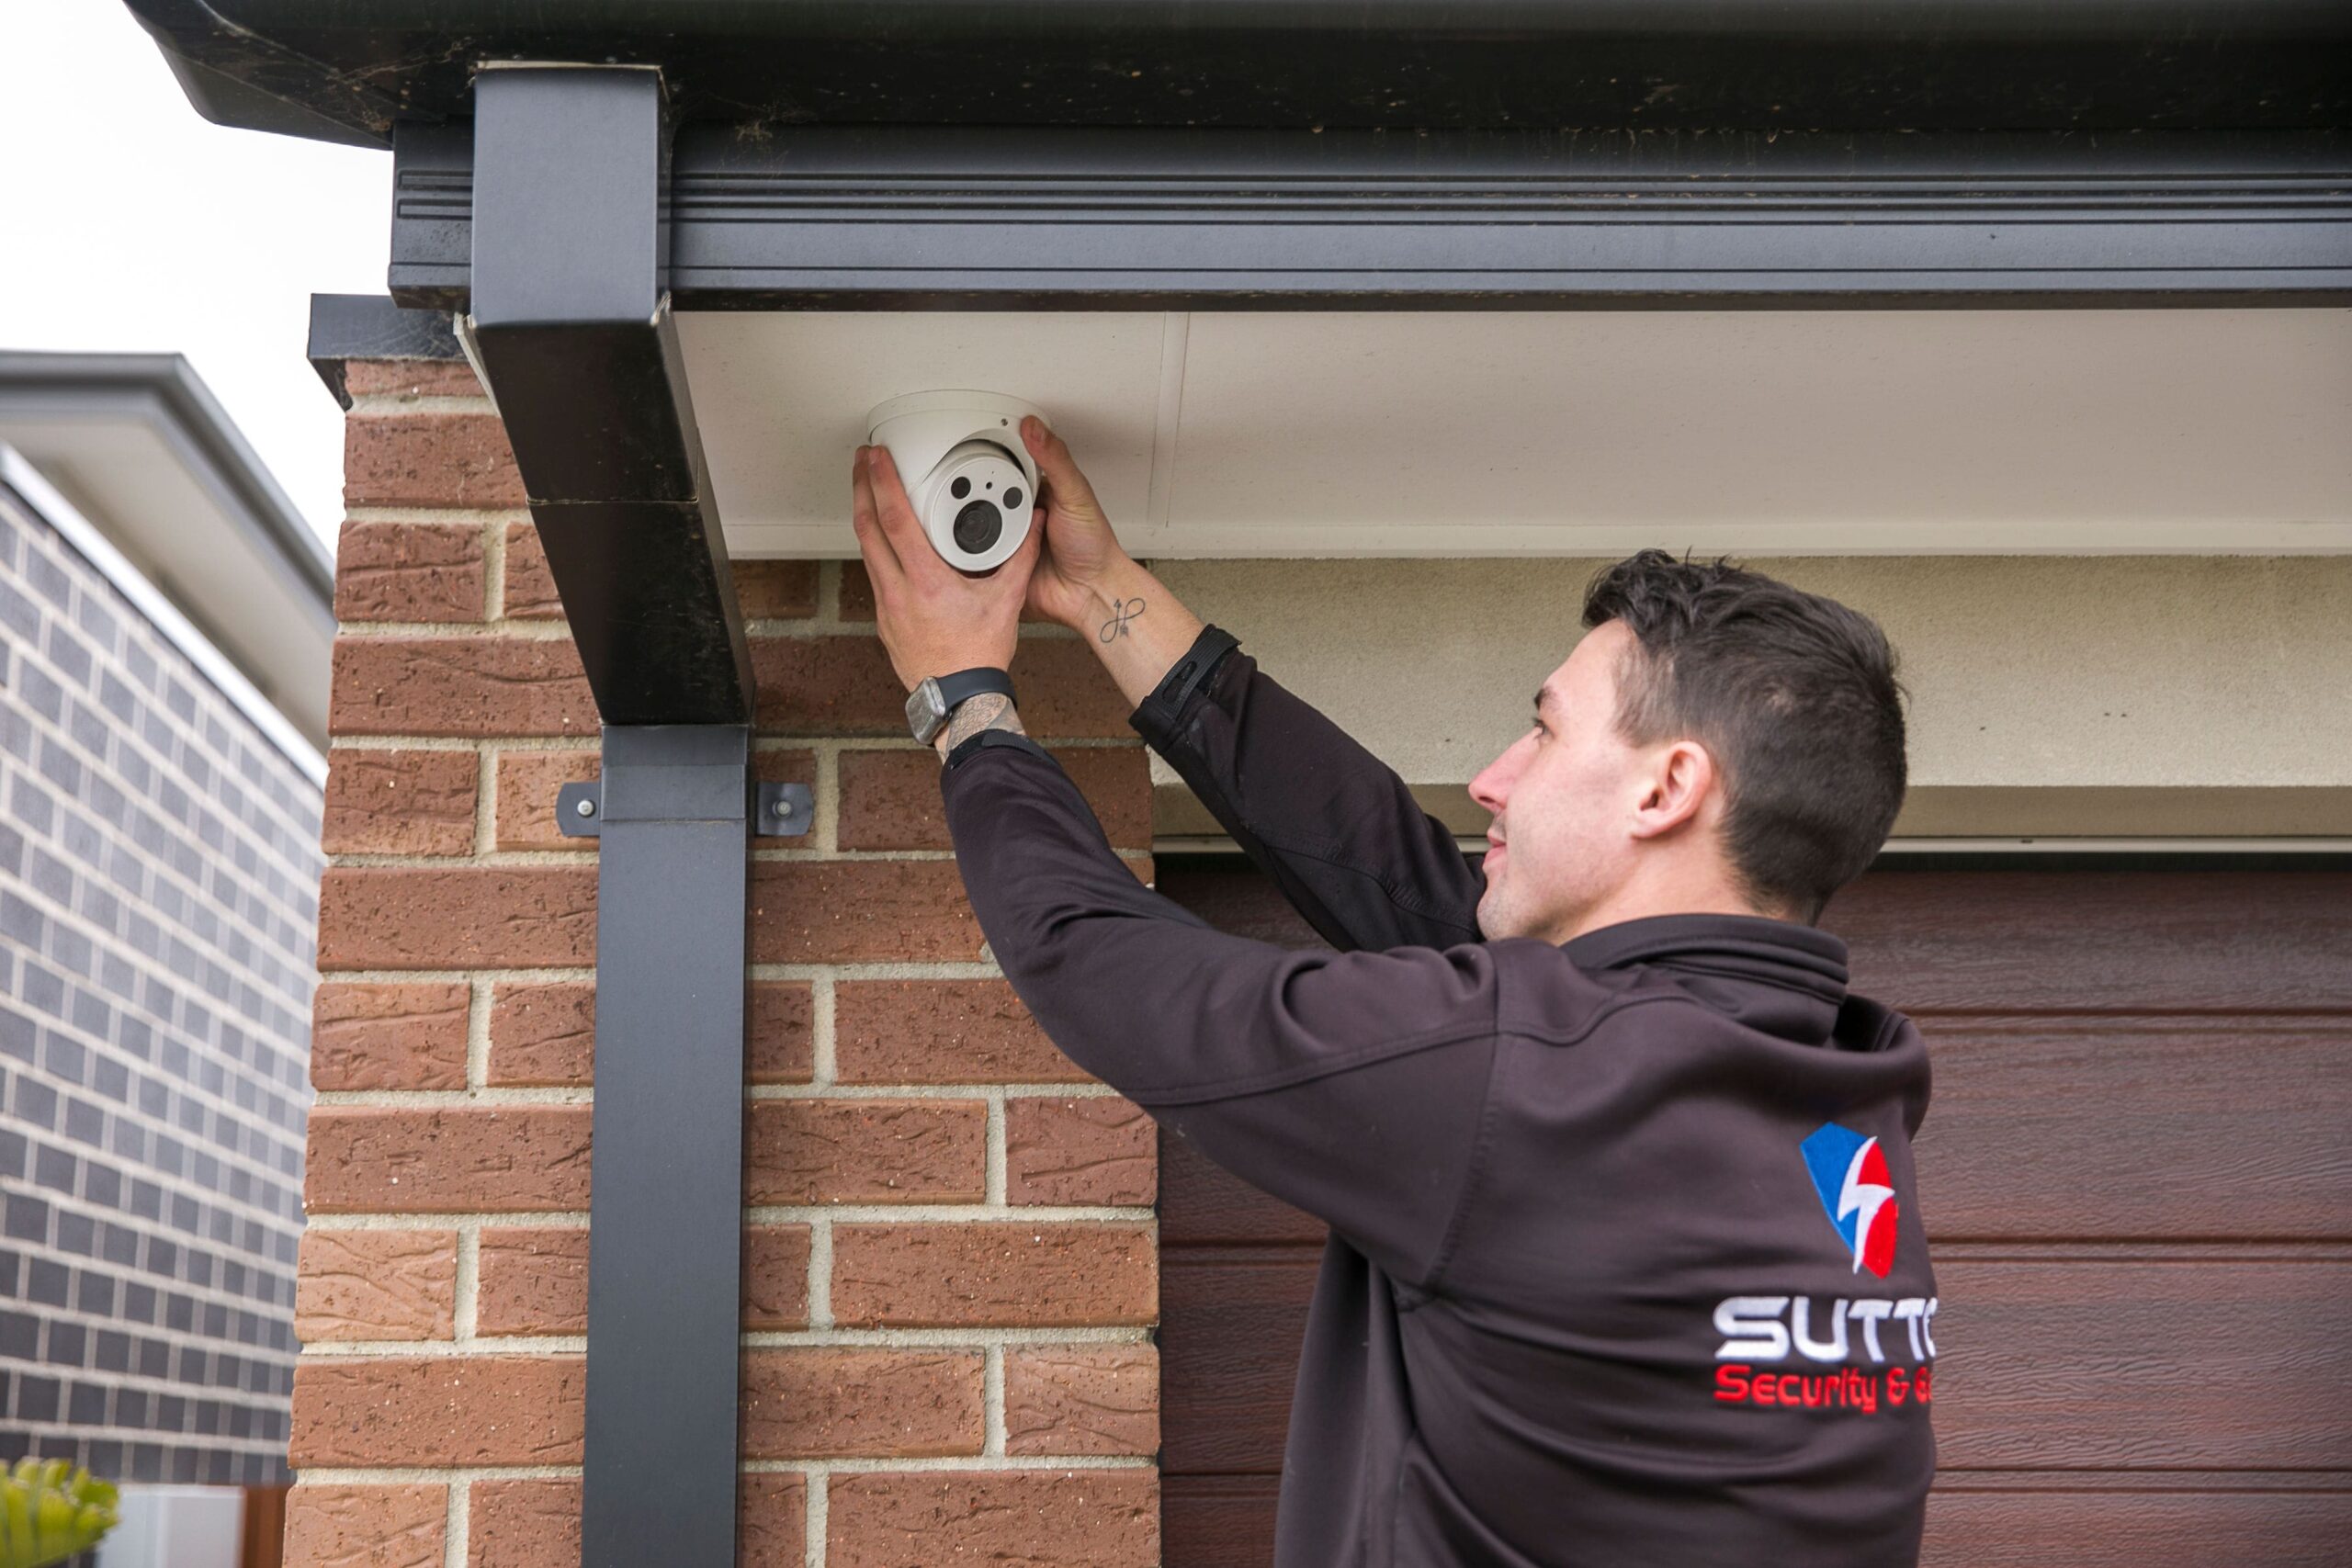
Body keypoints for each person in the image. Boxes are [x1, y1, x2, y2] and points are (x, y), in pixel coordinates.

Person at [848, 418, 1937, 1568]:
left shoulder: (1527, 1083)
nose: (1493, 778)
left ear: (1667, 786)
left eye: (1543, 729)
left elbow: (1101, 963)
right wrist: (1109, 595)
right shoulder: (1840, 1095)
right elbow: (1413, 894)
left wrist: (961, 698)